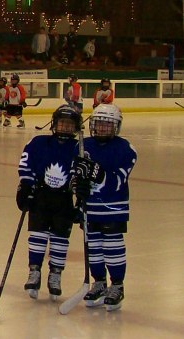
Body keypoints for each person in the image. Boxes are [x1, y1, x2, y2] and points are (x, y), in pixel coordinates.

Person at [70, 104, 137, 311]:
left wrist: (99, 175)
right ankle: (98, 281)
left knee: (112, 246)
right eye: (99, 124)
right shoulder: (82, 145)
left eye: (108, 125)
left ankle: (117, 284)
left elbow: (118, 181)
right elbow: (74, 172)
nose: (102, 128)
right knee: (93, 247)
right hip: (89, 207)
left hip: (113, 208)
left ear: (116, 127)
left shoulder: (125, 148)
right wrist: (77, 185)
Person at [16, 105, 82, 300]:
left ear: (75, 127)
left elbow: (81, 176)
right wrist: (26, 187)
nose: (65, 127)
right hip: (41, 197)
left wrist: (80, 200)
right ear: (54, 124)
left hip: (63, 199)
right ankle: (34, 271)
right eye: (62, 123)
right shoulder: (38, 142)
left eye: (69, 125)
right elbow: (26, 164)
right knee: (37, 234)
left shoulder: (79, 148)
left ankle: (55, 273)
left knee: (60, 238)